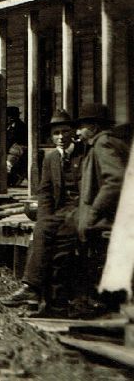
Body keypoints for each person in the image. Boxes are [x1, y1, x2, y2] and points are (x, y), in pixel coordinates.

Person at [0, 110, 83, 312]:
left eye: (65, 132)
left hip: (82, 209)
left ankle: (37, 292)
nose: (61, 137)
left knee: (56, 238)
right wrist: (44, 220)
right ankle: (37, 293)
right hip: (60, 212)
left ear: (73, 132)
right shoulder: (50, 158)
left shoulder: (85, 154)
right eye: (56, 133)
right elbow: (44, 193)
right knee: (42, 231)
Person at [74, 102, 129, 311]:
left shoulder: (102, 144)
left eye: (82, 126)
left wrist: (93, 214)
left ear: (94, 127)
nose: (78, 131)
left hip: (107, 220)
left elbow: (114, 181)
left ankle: (93, 304)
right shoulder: (109, 142)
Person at [4, 107, 29, 186]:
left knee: (9, 163)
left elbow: (16, 141)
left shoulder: (21, 127)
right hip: (11, 151)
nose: (8, 118)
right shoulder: (8, 126)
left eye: (9, 116)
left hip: (19, 150)